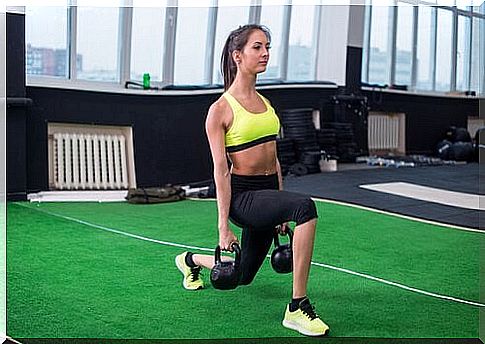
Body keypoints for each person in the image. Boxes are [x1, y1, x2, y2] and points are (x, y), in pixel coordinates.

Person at [175, 24, 329, 337]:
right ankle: (297, 307)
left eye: (267, 47)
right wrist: (222, 226)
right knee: (305, 207)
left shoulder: (267, 105)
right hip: (243, 199)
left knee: (242, 275)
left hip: (268, 193)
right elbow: (220, 170)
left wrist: (281, 209)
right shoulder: (219, 110)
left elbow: (274, 160)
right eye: (257, 47)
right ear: (237, 56)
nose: (265, 53)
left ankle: (190, 260)